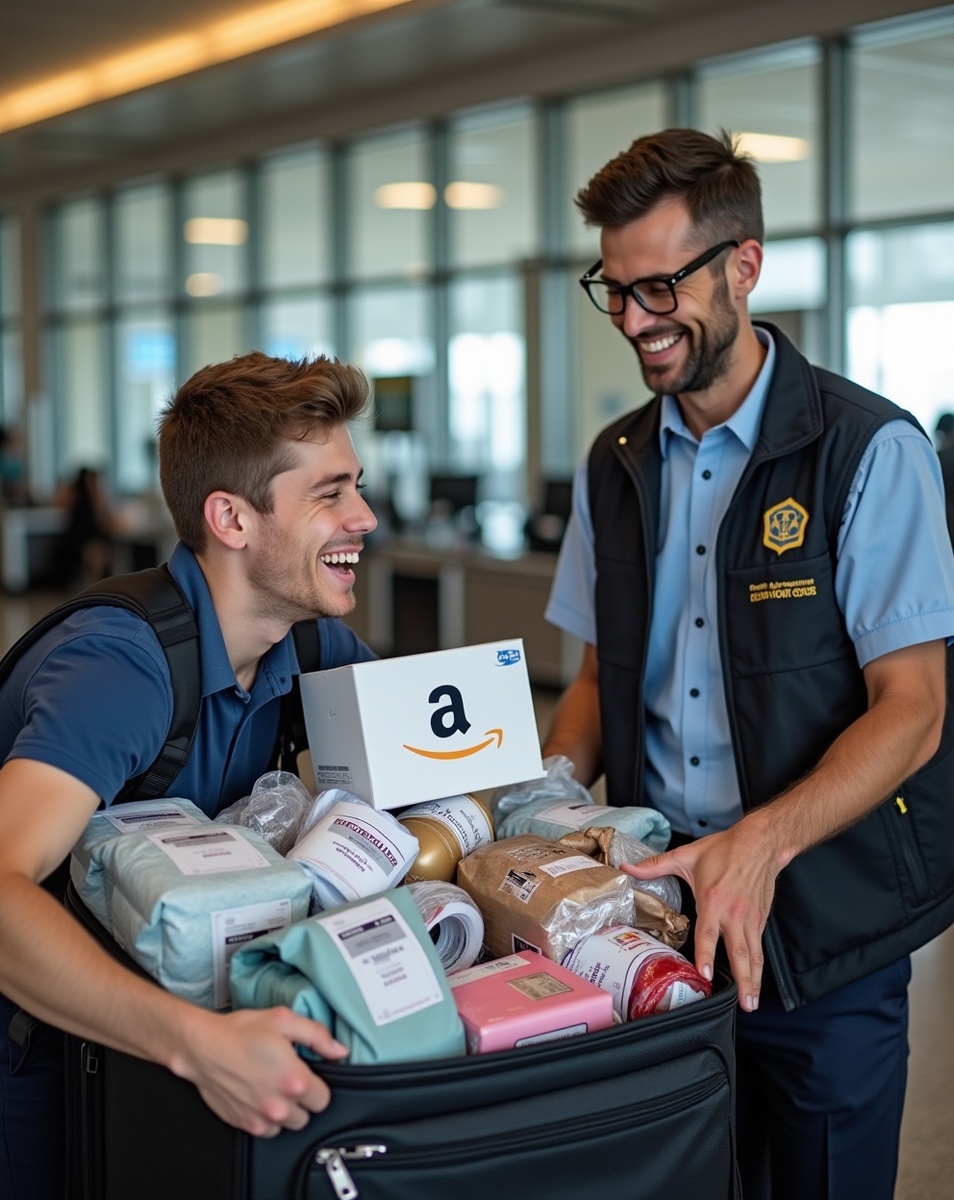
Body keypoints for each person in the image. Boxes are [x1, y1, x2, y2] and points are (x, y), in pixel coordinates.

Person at [543, 128, 954, 1200]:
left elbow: (912, 709)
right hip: (659, 921)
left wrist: (760, 847)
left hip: (824, 924)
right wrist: (543, 812)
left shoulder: (869, 451)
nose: (635, 319)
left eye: (661, 287)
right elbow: (594, 679)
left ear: (744, 266)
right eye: (615, 290)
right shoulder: (614, 463)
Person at [0, 351, 379, 1200]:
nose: (365, 516)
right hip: (41, 1047)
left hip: (160, 1031)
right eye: (330, 493)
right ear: (231, 519)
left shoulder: (310, 641)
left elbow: (441, 777)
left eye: (357, 487)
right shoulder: (120, 668)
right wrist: (195, 1046)